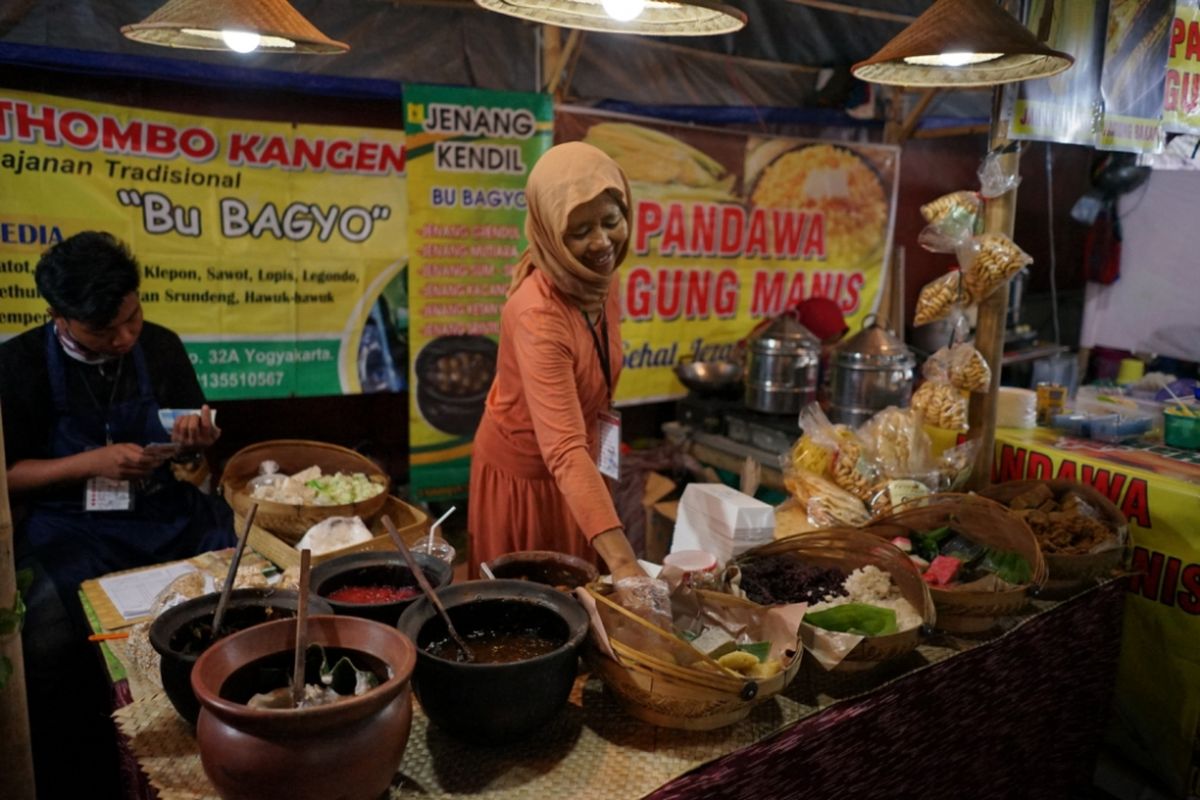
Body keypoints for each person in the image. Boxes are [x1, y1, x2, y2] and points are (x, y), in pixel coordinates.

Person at [0, 230, 234, 797]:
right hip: (73, 523)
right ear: (60, 317)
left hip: (162, 510)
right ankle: (86, 769)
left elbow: (196, 453)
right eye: (105, 331)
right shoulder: (19, 363)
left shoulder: (161, 345)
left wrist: (198, 438)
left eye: (132, 316)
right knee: (50, 637)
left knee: (240, 581)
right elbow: (6, 476)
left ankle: (216, 726)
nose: (127, 336)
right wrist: (89, 462)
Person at [468, 142, 644, 582]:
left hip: (580, 468)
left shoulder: (599, 277)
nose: (602, 242)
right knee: (527, 614)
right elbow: (562, 449)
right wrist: (625, 564)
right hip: (527, 483)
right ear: (549, 232)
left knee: (584, 598)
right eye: (579, 230)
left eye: (611, 221)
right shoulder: (538, 315)